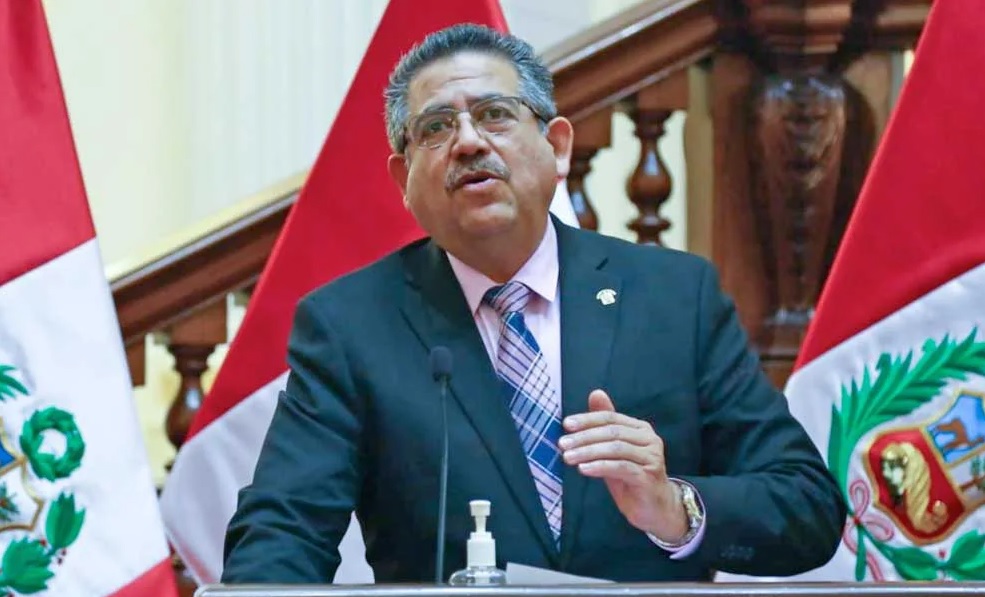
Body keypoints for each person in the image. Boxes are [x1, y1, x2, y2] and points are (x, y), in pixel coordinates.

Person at [221, 24, 846, 584]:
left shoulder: (674, 298)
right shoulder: (350, 325)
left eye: (495, 114)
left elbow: (807, 507)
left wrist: (673, 507)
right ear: (402, 181)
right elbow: (282, 534)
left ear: (558, 148)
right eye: (436, 128)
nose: (468, 142)